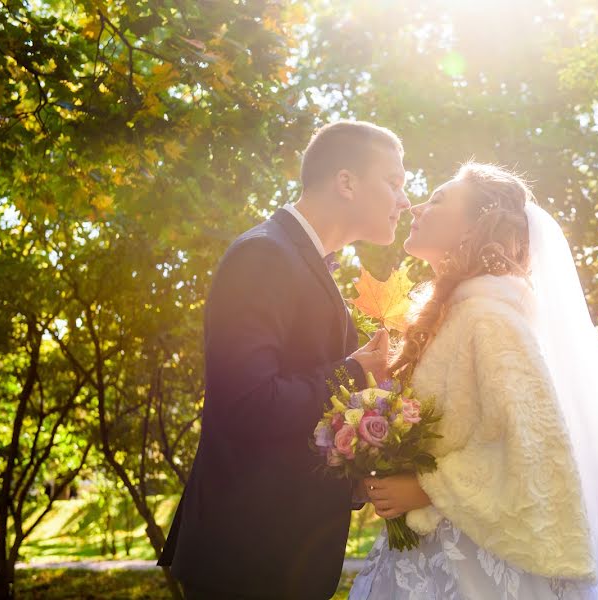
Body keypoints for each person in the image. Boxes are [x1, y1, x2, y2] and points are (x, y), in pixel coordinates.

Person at [350, 163, 598, 599]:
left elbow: (535, 445)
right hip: (435, 550)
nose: (417, 207)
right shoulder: (457, 314)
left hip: (478, 564)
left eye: (438, 199)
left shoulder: (490, 317)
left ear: (474, 227)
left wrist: (425, 489)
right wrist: (382, 390)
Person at [158, 121, 411, 599]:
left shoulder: (304, 260)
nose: (405, 201)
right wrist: (354, 371)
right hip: (249, 558)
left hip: (284, 553)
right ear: (347, 182)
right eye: (394, 183)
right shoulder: (264, 254)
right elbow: (248, 404)